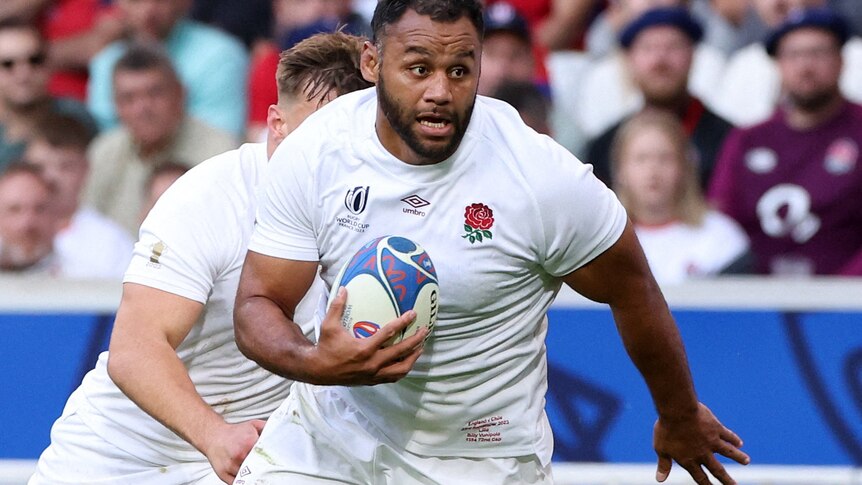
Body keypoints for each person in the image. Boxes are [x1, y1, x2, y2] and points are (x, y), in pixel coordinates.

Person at [232, 1, 750, 484]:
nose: (440, 90)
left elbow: (633, 288)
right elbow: (259, 302)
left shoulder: (538, 177)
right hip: (333, 437)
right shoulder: (318, 151)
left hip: (480, 456)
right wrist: (315, 363)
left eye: (460, 70)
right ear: (371, 62)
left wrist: (679, 414)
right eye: (418, 68)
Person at [28, 32, 373, 485]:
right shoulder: (209, 196)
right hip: (118, 457)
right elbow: (134, 349)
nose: (326, 155)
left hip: (258, 456)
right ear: (276, 125)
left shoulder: (378, 208)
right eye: (313, 134)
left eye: (344, 139)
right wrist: (214, 435)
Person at [709, 7, 862, 276]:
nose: (806, 66)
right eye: (793, 55)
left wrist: (840, 293)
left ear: (841, 60)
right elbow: (721, 222)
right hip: (753, 299)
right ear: (778, 65)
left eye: (818, 53)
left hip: (849, 302)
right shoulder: (748, 138)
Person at [83, 43, 239, 236]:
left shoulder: (219, 152)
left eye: (154, 94)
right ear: (115, 105)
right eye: (129, 98)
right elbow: (86, 230)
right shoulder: (104, 152)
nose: (142, 109)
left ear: (181, 94)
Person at [584, 6, 734, 189]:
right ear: (629, 61)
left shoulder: (729, 141)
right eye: (648, 48)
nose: (660, 60)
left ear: (693, 56)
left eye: (673, 47)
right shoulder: (605, 147)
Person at [610, 111, 750, 284]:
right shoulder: (603, 241)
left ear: (684, 167)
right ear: (620, 170)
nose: (653, 171)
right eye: (641, 159)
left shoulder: (722, 238)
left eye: (665, 158)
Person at [86, 0, 249, 137]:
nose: (148, 11)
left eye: (160, 0)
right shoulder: (105, 61)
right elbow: (104, 134)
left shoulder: (220, 54)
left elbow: (222, 143)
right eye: (137, 0)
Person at [23, 114, 134, 280]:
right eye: (39, 167)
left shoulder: (111, 243)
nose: (50, 177)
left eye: (65, 167)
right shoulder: (6, 236)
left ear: (86, 169)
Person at [0, 18, 96, 172]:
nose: (23, 73)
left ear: (48, 63)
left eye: (35, 60)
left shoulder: (75, 116)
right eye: (8, 64)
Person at [0, 162, 59, 275]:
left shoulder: (83, 273)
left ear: (56, 214)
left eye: (40, 209)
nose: (27, 223)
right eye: (14, 210)